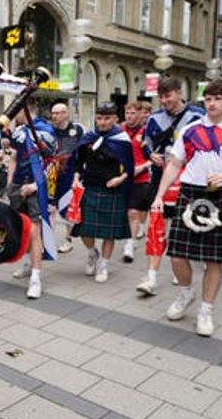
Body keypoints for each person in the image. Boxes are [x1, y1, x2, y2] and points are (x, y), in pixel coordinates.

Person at [152, 79, 222, 337]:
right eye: (208, 99)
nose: (211, 103)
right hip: (189, 194)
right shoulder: (191, 130)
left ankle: (206, 309)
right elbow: (173, 164)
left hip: (221, 195)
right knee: (177, 254)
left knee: (214, 259)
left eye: (217, 99)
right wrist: (159, 195)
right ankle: (185, 293)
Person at [136, 79, 205, 295]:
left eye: (169, 96)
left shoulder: (198, 116)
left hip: (187, 180)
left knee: (184, 226)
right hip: (160, 178)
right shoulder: (155, 117)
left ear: (179, 92)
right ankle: (151, 277)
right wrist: (151, 155)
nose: (165, 101)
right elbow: (145, 141)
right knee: (156, 224)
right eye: (162, 97)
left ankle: (180, 267)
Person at [70, 102, 134, 283]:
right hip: (89, 188)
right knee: (83, 230)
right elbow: (78, 162)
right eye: (99, 118)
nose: (102, 122)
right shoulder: (89, 137)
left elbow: (129, 168)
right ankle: (92, 253)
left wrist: (120, 179)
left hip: (112, 191)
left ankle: (104, 264)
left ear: (115, 119)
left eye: (107, 118)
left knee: (108, 233)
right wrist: (76, 177)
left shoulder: (121, 140)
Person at [7, 98, 56, 299]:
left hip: (36, 186)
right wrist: (10, 184)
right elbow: (13, 157)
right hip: (18, 186)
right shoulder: (18, 131)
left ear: (25, 109)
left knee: (35, 231)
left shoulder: (45, 130)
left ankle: (36, 279)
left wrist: (37, 185)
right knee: (22, 228)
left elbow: (52, 162)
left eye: (17, 109)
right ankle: (28, 262)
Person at [49, 102, 85, 254]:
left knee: (67, 207)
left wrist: (80, 174)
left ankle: (68, 239)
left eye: (58, 113)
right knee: (50, 207)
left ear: (66, 114)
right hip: (52, 173)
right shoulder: (49, 130)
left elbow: (83, 153)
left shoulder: (77, 129)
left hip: (70, 173)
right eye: (53, 113)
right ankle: (48, 239)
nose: (55, 116)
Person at [121, 100, 152, 262]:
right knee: (126, 212)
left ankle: (129, 244)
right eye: (127, 113)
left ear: (141, 114)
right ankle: (131, 234)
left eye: (133, 113)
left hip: (141, 178)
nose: (129, 116)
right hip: (123, 177)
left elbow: (156, 155)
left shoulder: (148, 131)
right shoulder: (119, 129)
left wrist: (143, 166)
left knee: (134, 212)